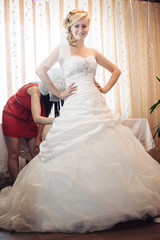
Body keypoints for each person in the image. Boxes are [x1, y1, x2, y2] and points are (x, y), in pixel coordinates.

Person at [0, 9, 160, 233]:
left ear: (88, 27)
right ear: (69, 28)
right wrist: (59, 92)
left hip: (95, 103)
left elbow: (116, 70)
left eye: (84, 26)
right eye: (76, 26)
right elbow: (41, 70)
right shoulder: (63, 50)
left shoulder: (93, 51)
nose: (81, 30)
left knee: (108, 145)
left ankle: (112, 200)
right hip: (76, 104)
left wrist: (104, 88)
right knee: (73, 148)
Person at [2, 80, 77, 182]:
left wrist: (38, 138)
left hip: (28, 118)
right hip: (12, 115)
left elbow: (43, 117)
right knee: (14, 153)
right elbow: (37, 119)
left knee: (36, 150)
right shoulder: (35, 91)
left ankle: (39, 181)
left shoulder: (48, 97)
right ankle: (15, 185)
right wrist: (60, 120)